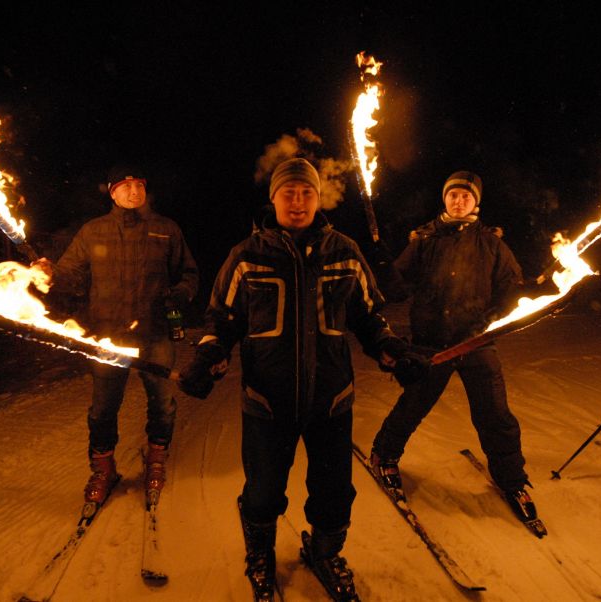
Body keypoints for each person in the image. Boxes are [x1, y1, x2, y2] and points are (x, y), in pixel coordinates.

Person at [177, 158, 426, 601]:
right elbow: (221, 318)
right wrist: (209, 354)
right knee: (263, 490)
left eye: (306, 193)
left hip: (332, 399)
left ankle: (327, 553)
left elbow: (369, 317)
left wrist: (391, 350)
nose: (297, 201)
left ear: (318, 198)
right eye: (288, 192)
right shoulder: (247, 256)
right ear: (272, 198)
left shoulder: (344, 252)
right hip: (265, 401)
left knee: (334, 492)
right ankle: (260, 554)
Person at [368, 170, 537, 523]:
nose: (458, 201)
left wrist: (502, 310)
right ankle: (384, 455)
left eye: (465, 196)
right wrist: (384, 266)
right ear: (444, 199)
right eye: (453, 195)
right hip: (432, 343)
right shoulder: (426, 240)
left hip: (475, 341)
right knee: (413, 405)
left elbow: (511, 288)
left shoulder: (491, 243)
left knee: (496, 414)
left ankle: (512, 480)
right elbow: (397, 289)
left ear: (476, 202)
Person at [34, 165, 198, 509]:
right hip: (107, 334)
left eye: (139, 185)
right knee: (103, 408)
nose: (134, 191)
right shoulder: (94, 232)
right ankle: (103, 468)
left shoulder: (165, 229)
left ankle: (156, 460)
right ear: (112, 193)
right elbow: (69, 275)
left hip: (155, 333)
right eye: (125, 186)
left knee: (163, 404)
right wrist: (48, 274)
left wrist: (180, 293)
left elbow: (188, 273)